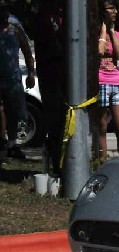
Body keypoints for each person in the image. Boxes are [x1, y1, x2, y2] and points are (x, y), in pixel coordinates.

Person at [33, 0, 66, 175]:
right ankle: (57, 164)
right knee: (55, 121)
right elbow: (53, 46)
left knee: (64, 120)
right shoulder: (44, 16)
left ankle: (62, 162)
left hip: (64, 77)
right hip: (51, 76)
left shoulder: (62, 14)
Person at [0, 1, 34, 160]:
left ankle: (12, 144)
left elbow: (27, 50)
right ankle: (2, 143)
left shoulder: (15, 28)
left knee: (14, 113)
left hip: (12, 77)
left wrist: (31, 73)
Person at [96, 0, 119, 160]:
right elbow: (100, 51)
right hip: (100, 81)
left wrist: (111, 30)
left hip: (116, 81)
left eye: (116, 8)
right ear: (103, 11)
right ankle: (100, 162)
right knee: (101, 127)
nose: (114, 11)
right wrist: (104, 29)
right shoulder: (96, 30)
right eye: (110, 8)